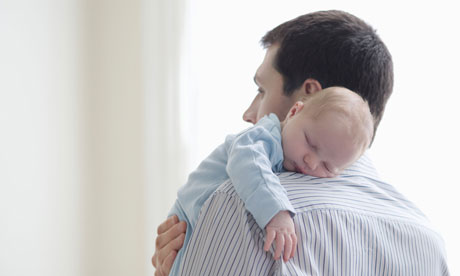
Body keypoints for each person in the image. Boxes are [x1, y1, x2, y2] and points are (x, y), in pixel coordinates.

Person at [153, 10, 449, 275]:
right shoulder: (427, 238)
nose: (248, 114)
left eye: (261, 89)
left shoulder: (246, 205)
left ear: (305, 97)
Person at [168, 86, 374, 274]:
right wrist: (276, 212)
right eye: (310, 143)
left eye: (327, 166)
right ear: (293, 112)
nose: (311, 162)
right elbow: (247, 164)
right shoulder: (262, 136)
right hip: (187, 216)